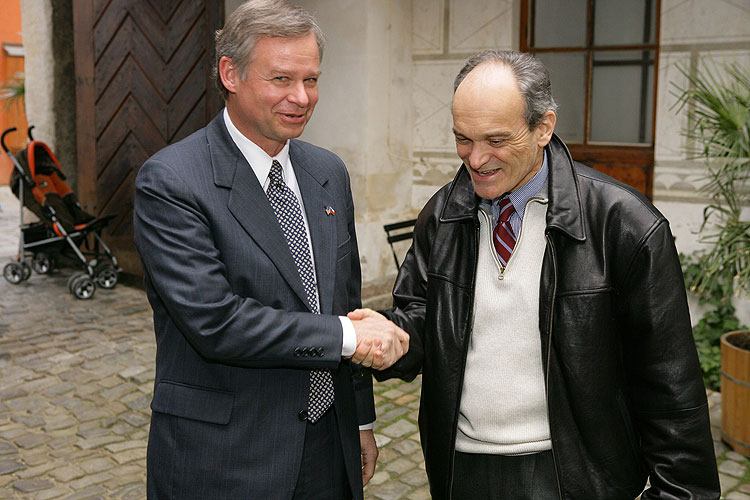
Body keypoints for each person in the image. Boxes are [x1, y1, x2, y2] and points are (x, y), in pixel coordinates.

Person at [350, 50, 720, 499]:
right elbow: (425, 316)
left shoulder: (624, 225)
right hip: (460, 469)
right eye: (462, 138)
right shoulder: (443, 214)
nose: (476, 158)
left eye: (496, 140)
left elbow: (670, 387)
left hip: (572, 477)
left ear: (543, 127)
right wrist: (394, 337)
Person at [133, 1, 407, 499]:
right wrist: (349, 336)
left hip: (329, 446)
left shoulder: (328, 172)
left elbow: (345, 304)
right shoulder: (172, 181)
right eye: (281, 79)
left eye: (312, 80)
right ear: (229, 73)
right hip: (227, 457)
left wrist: (361, 420)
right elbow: (216, 322)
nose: (301, 97)